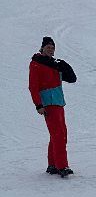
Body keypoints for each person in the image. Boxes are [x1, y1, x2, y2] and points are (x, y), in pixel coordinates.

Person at [28, 36, 76, 177]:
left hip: (59, 102)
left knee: (59, 134)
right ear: (42, 48)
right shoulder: (36, 63)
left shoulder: (54, 64)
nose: (51, 49)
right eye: (48, 47)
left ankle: (53, 164)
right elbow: (33, 86)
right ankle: (62, 166)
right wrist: (38, 104)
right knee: (58, 134)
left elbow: (72, 79)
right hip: (48, 103)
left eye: (52, 48)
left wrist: (65, 66)